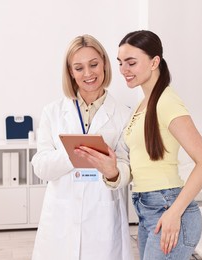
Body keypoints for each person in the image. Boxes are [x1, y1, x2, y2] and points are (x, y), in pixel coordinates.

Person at [31, 34, 134, 260]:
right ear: (70, 72)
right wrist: (73, 153)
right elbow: (40, 166)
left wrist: (114, 172)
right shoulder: (53, 112)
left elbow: (128, 167)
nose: (88, 74)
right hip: (62, 215)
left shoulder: (124, 115)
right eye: (79, 68)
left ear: (105, 64)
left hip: (103, 215)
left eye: (94, 64)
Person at [117, 30, 202, 259]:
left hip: (167, 207)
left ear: (154, 62)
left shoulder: (167, 102)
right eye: (121, 63)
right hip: (147, 209)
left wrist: (174, 212)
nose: (124, 70)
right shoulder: (144, 103)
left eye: (131, 63)